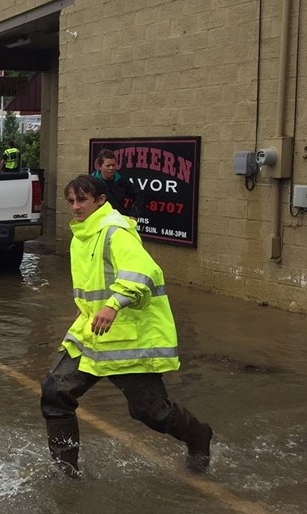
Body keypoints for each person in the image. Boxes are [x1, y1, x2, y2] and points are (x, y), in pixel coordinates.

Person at [40, 174, 212, 476]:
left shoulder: (114, 231)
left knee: (151, 412)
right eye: (71, 201)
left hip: (126, 339)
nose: (76, 207)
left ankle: (199, 435)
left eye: (82, 200)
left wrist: (113, 304)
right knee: (55, 393)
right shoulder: (83, 234)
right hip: (93, 333)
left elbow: (142, 270)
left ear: (101, 200)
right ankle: (65, 473)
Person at [92, 148, 142, 219]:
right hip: (99, 221)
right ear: (100, 167)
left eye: (113, 165)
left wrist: (134, 214)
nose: (111, 168)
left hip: (119, 221)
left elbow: (138, 195)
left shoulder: (122, 181)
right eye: (108, 165)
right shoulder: (91, 183)